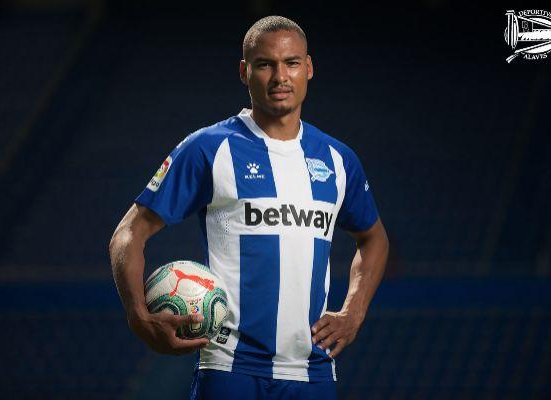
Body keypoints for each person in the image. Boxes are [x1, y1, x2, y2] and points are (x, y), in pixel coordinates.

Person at [109, 15, 389, 400]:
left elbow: (373, 238)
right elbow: (129, 232)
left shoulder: (338, 160)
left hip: (313, 373)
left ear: (308, 68)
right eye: (264, 64)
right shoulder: (209, 148)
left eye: (291, 63)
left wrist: (353, 312)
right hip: (229, 370)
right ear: (244, 71)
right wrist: (138, 316)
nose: (280, 77)